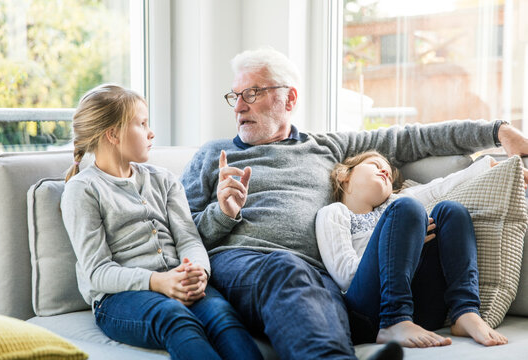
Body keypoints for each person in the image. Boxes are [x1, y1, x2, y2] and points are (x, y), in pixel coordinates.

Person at [180, 47, 528, 360]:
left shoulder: (326, 148)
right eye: (235, 95)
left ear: (289, 99)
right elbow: (177, 234)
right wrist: (222, 214)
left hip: (317, 277)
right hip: (242, 263)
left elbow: (411, 138)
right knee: (286, 268)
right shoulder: (214, 155)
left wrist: (498, 131)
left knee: (318, 292)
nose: (239, 106)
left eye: (252, 93)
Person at [60, 84, 263, 360]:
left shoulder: (163, 179)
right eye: (142, 124)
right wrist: (158, 281)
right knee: (175, 318)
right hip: (118, 298)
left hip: (178, 280)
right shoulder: (83, 190)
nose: (151, 132)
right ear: (113, 134)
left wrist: (198, 271)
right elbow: (98, 272)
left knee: (223, 318)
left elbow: (188, 238)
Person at [315, 150, 509, 348]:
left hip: (421, 309)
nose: (384, 171)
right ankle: (394, 320)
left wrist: (487, 166)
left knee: (451, 210)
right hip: (371, 313)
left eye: (389, 175)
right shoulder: (334, 212)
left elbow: (440, 187)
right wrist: (394, 243)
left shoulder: (394, 202)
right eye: (375, 165)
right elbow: (345, 276)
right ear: (343, 175)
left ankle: (465, 311)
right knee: (407, 208)